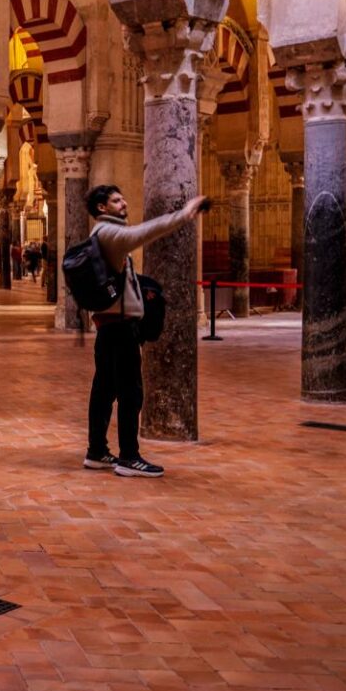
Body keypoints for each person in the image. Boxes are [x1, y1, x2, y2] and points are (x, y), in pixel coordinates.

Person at [84, 185, 209, 479]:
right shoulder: (109, 234)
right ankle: (129, 457)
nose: (124, 202)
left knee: (104, 390)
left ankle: (97, 451)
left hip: (107, 326)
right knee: (131, 393)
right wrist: (184, 214)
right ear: (102, 208)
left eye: (122, 197)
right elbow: (144, 233)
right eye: (116, 200)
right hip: (120, 328)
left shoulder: (97, 235)